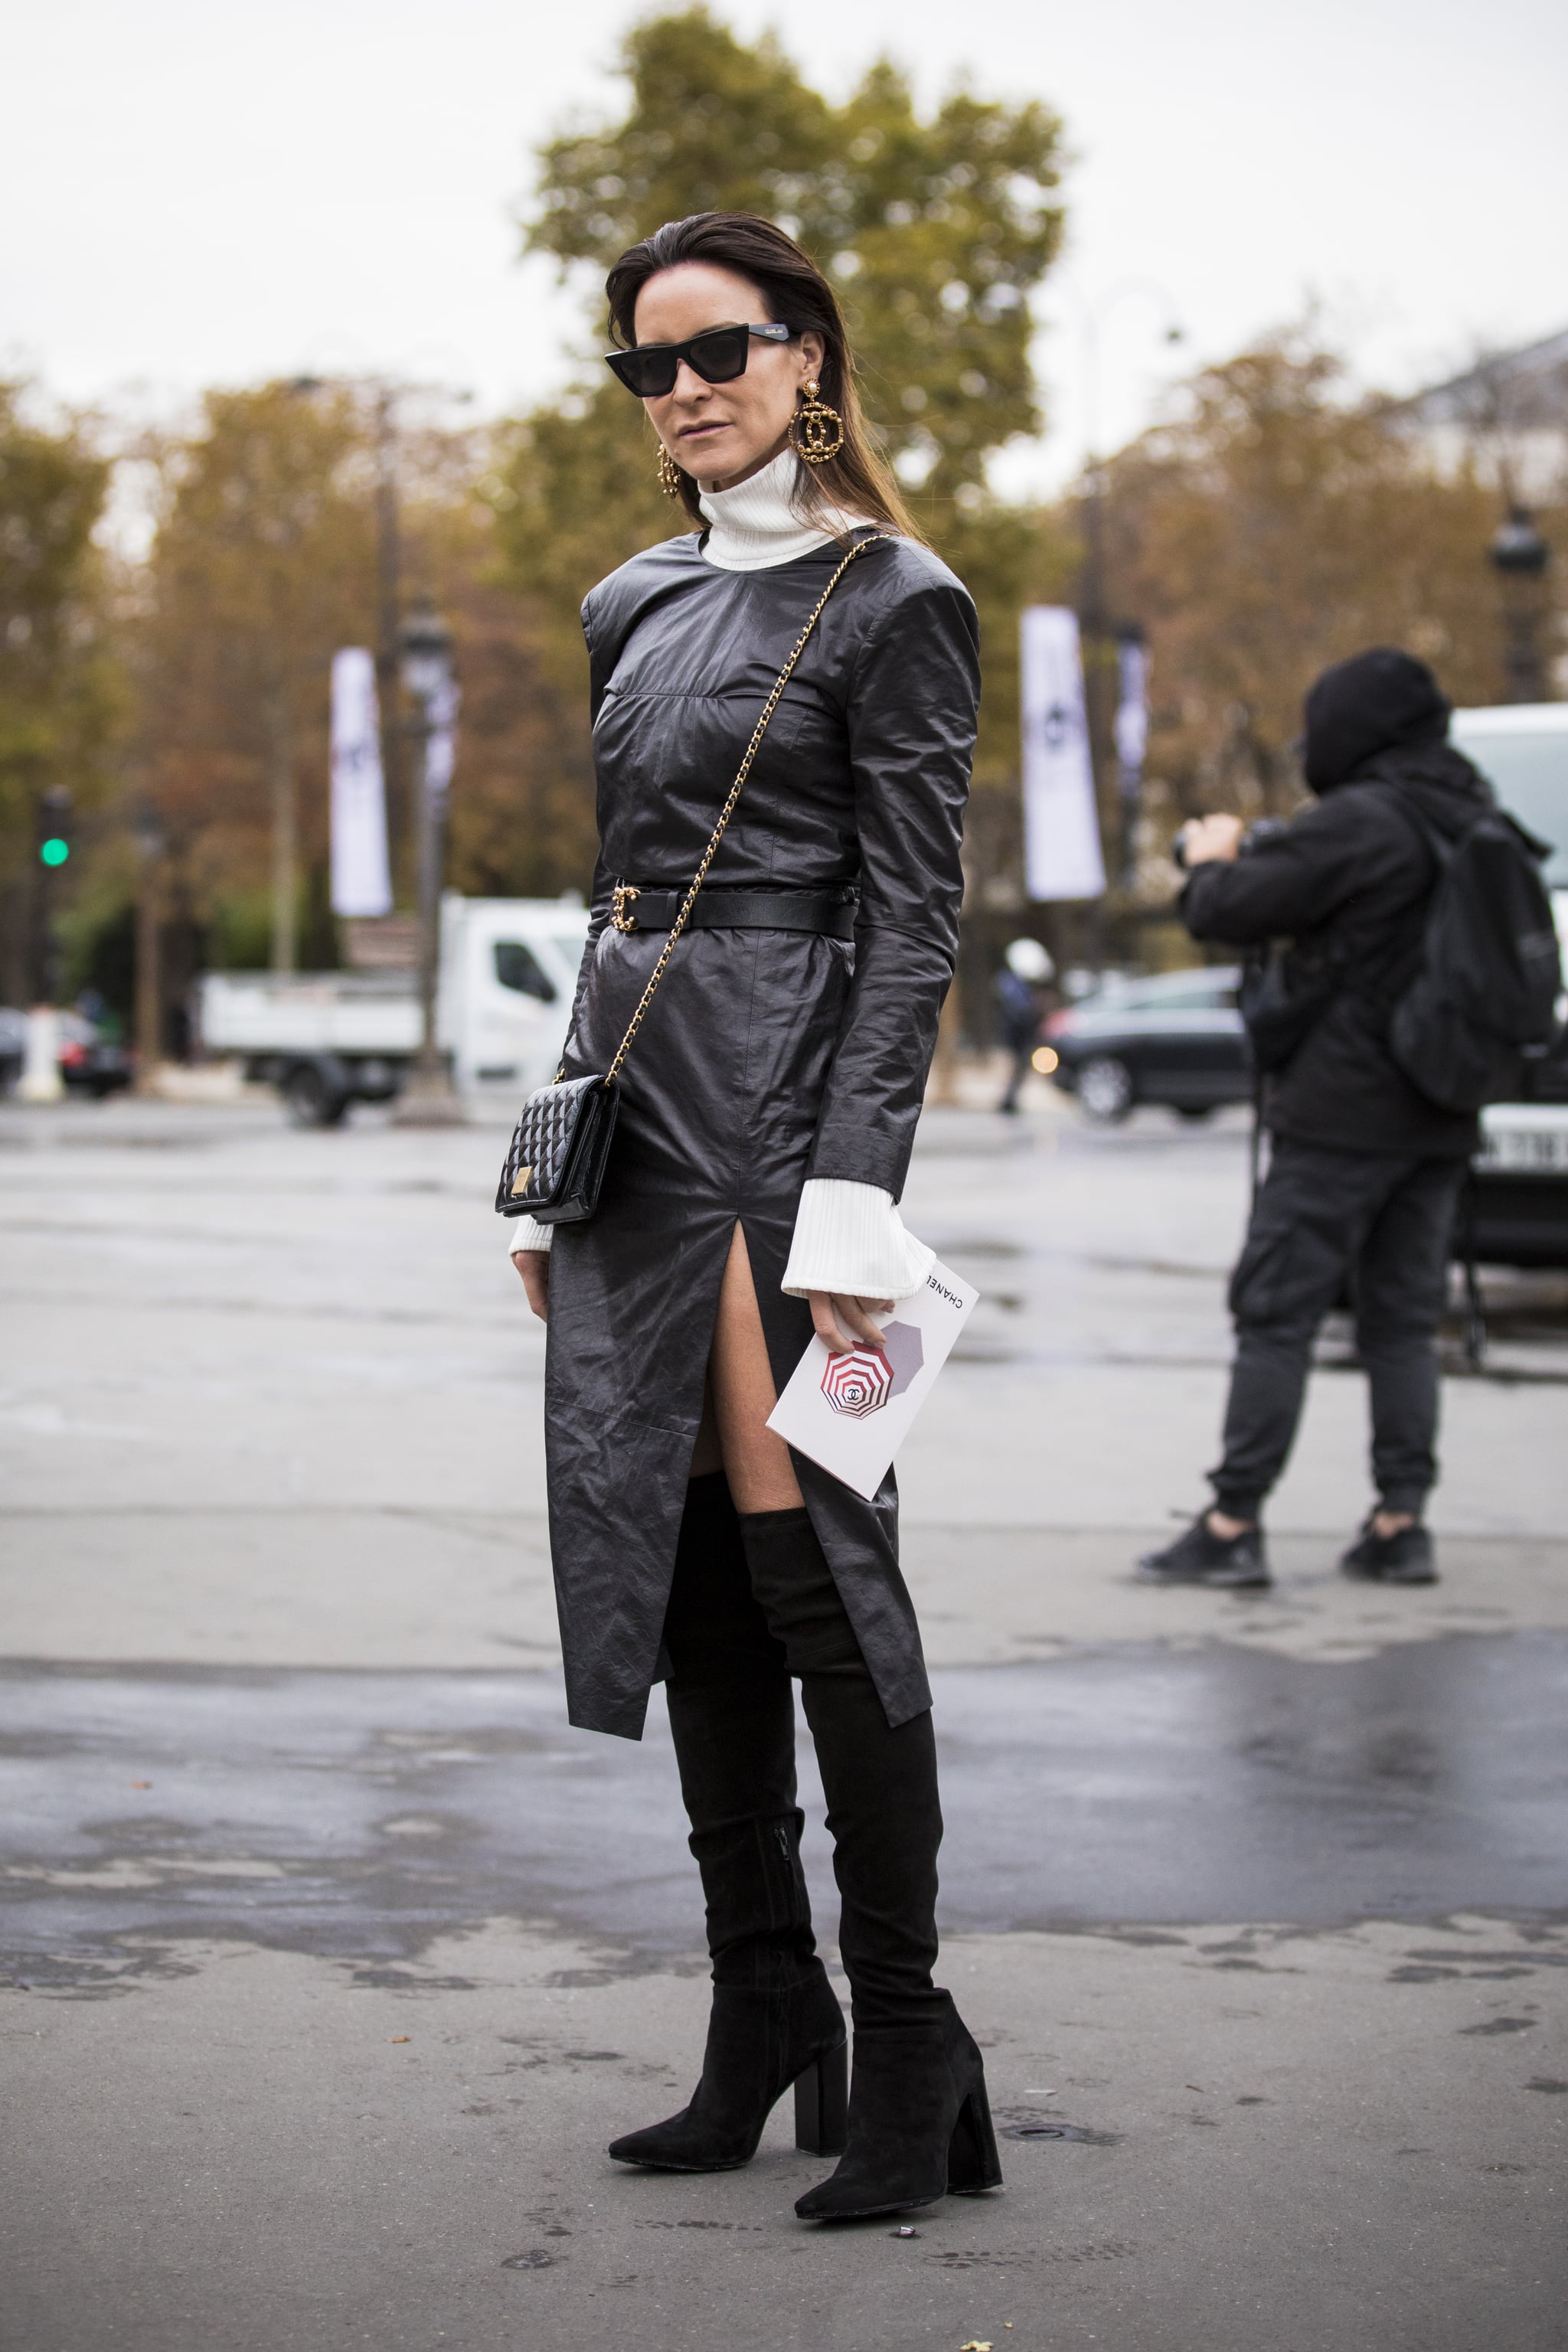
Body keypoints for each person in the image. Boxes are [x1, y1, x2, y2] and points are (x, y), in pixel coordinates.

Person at [506, 210, 999, 2222]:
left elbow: (916, 922)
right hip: (639, 1113)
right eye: (650, 366)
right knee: (683, 1568)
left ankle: (910, 2033)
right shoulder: (629, 601)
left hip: (793, 1131)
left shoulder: (900, 599)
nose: (687, 389)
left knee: (815, 1566)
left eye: (720, 350)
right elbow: (624, 903)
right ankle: (759, 2007)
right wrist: (544, 1156)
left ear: (810, 357)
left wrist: (859, 1190)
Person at [1138, 648, 1492, 1594]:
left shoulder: (1360, 823)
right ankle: (1399, 1523)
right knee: (1402, 1324)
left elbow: (1229, 909)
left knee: (1274, 1312)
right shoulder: (1468, 815)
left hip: (1340, 1113)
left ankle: (1230, 1522)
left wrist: (1211, 858)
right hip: (1441, 1112)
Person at [993, 936, 1055, 1112]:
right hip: (1012, 1034)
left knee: (1020, 1067)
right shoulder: (1009, 982)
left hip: (1020, 1035)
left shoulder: (1017, 983)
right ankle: (1007, 1101)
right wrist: (1036, 1006)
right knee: (1013, 1067)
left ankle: (1010, 1101)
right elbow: (1019, 1009)